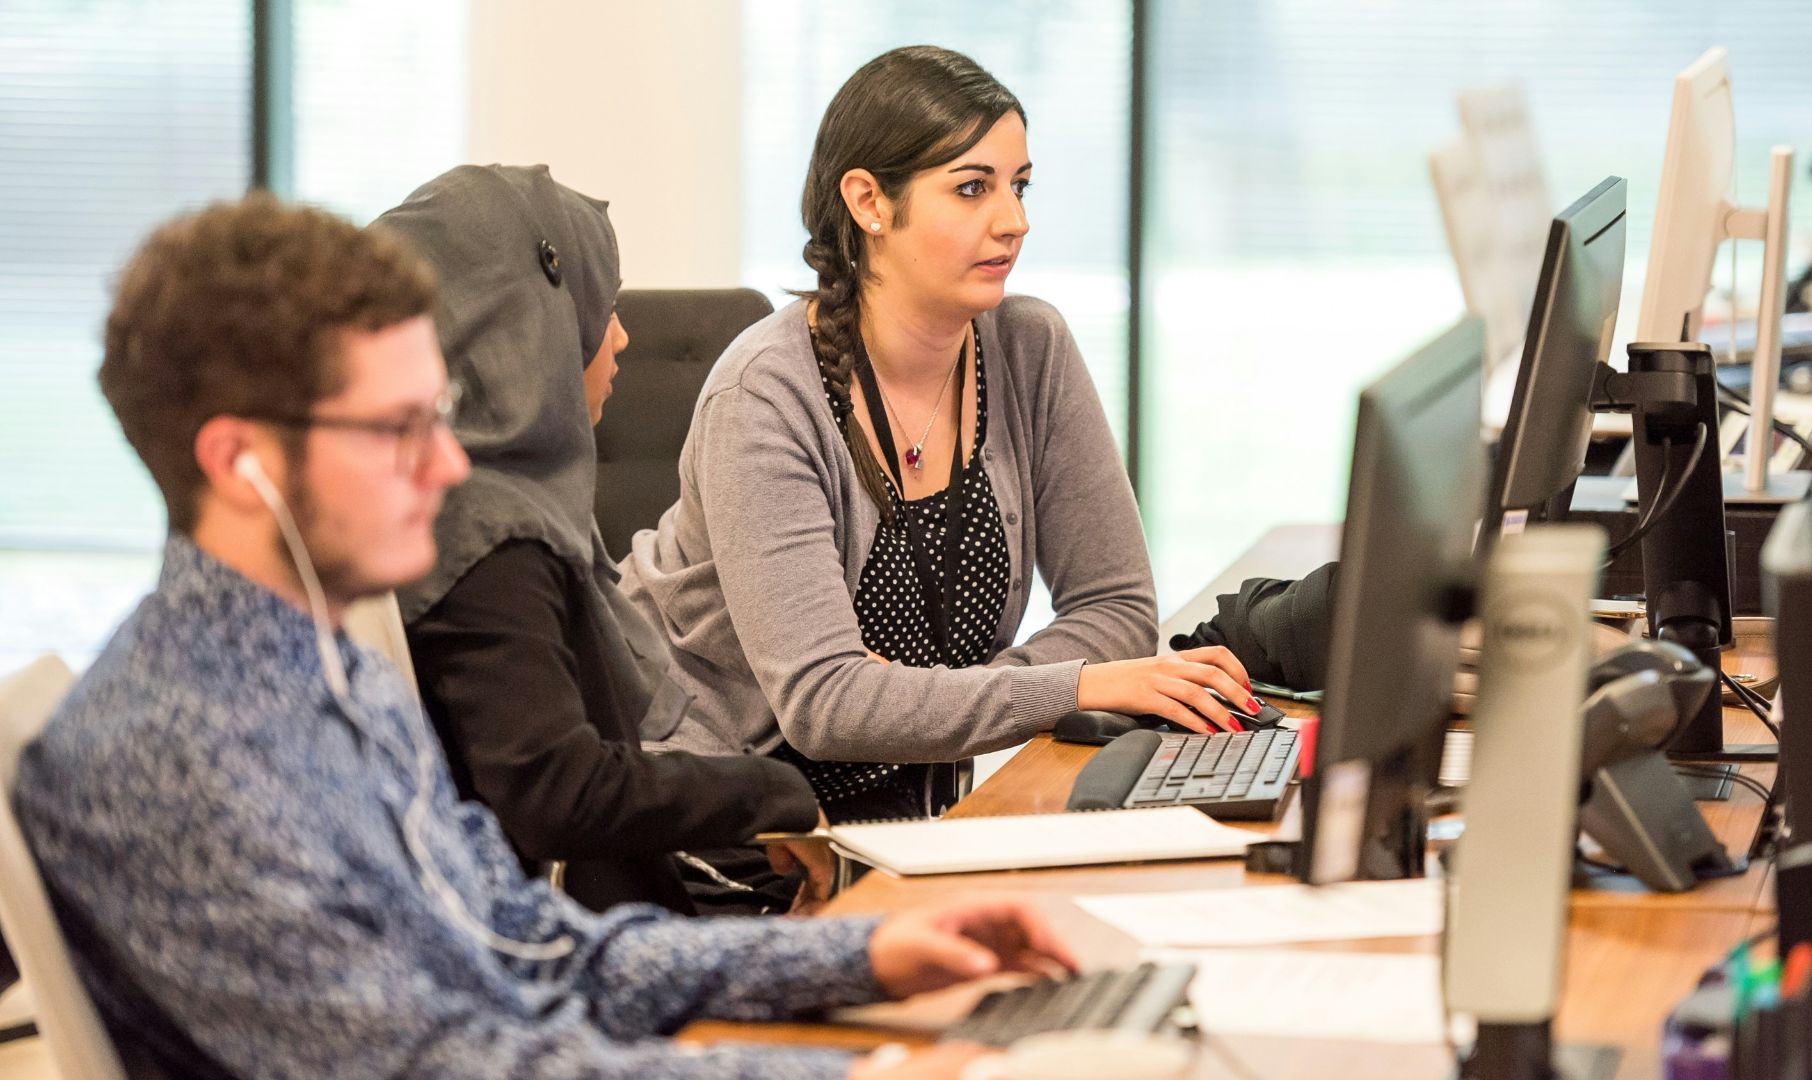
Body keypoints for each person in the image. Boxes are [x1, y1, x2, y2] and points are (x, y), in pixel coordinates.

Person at [12, 192, 1072, 1078]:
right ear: (238, 463)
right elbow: (449, 1066)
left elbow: (531, 947)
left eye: (437, 415)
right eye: (397, 428)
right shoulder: (180, 756)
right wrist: (852, 1075)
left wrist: (859, 957)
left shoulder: (326, 673)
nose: (446, 465)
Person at [620, 46, 1257, 820]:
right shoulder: (766, 395)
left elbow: (1117, 609)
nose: (1014, 221)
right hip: (729, 820)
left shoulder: (1030, 348)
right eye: (972, 188)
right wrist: (1073, 684)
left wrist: (920, 697)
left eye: (1019, 185)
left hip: (913, 811)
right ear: (869, 202)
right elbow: (826, 705)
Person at [380, 165, 830, 915]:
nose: (621, 337)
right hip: (573, 938)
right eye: (602, 307)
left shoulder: (474, 504)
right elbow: (557, 793)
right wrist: (771, 793)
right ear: (530, 323)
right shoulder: (489, 537)